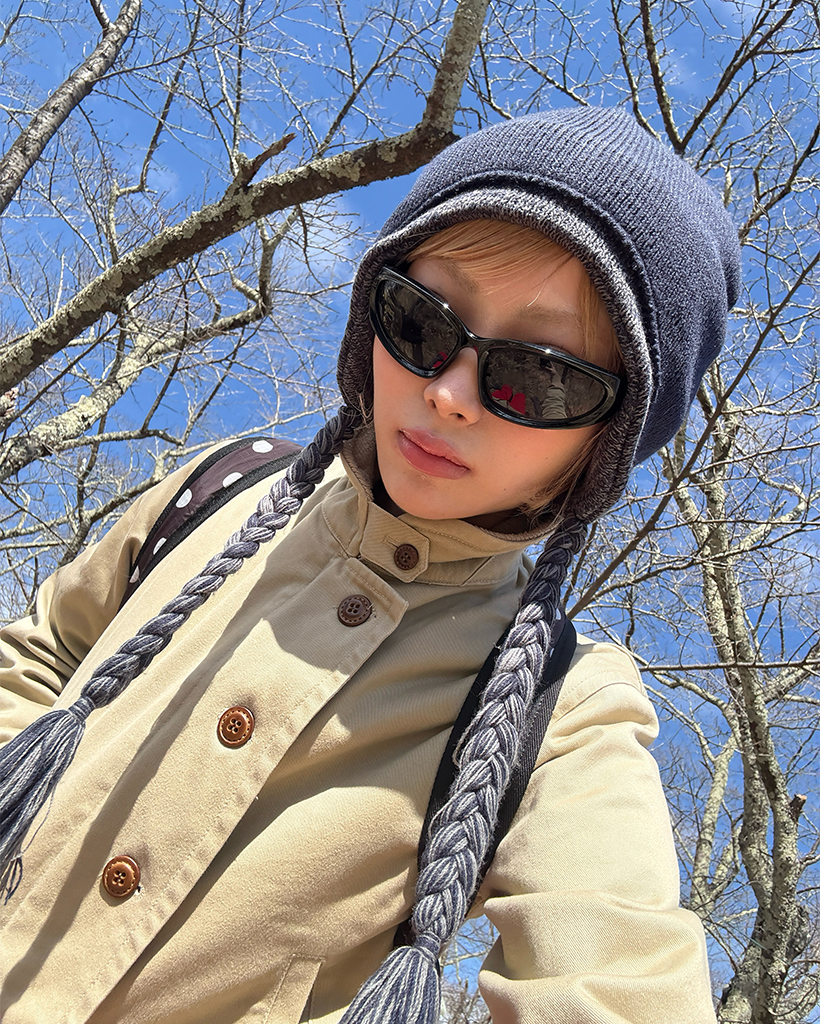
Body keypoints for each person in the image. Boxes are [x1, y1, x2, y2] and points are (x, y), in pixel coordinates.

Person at [0, 106, 740, 1024]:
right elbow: (39, 655)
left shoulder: (566, 707)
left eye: (538, 376)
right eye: (422, 322)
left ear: (604, 444)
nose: (449, 393)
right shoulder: (221, 488)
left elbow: (617, 986)